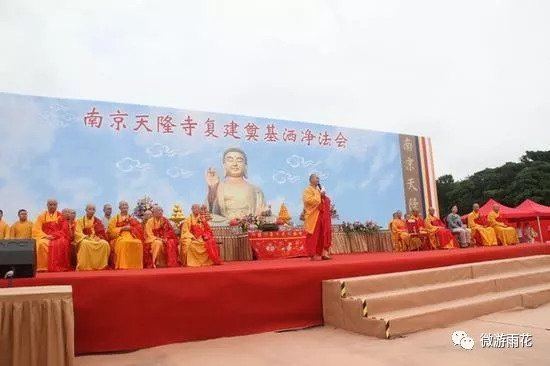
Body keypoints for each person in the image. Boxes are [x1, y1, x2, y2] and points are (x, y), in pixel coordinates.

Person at [205, 147, 266, 224]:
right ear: (224, 166)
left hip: (248, 224)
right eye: (230, 160)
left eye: (239, 160)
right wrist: (212, 189)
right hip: (225, 225)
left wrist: (263, 213)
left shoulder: (256, 190)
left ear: (245, 166)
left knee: (271, 219)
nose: (235, 164)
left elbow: (261, 213)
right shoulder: (218, 187)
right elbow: (209, 212)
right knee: (208, 220)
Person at [32, 199, 71, 272]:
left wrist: (55, 235)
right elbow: (36, 229)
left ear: (57, 206)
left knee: (62, 242)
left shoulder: (61, 216)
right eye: (50, 204)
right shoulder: (41, 216)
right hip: (45, 236)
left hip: (58, 236)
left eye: (54, 205)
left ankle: (59, 265)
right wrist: (45, 236)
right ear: (47, 205)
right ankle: (43, 267)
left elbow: (65, 229)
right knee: (41, 243)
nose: (52, 206)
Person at [302, 174, 332, 260]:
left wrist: (324, 197)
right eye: (316, 178)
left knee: (324, 234)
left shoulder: (318, 190)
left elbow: (325, 200)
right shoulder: (307, 190)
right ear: (311, 180)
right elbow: (308, 201)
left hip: (322, 215)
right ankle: (313, 254)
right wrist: (320, 195)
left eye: (319, 178)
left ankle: (324, 253)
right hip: (314, 216)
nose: (318, 179)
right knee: (314, 235)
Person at [107, 201, 144, 269]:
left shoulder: (132, 218)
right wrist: (122, 228)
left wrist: (131, 228)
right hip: (120, 237)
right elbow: (110, 232)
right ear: (119, 208)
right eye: (122, 205)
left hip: (131, 236)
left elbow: (139, 229)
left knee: (138, 242)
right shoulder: (115, 219)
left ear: (128, 207)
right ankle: (123, 265)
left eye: (126, 205)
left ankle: (136, 266)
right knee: (123, 243)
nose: (124, 206)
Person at [73, 204, 110, 271]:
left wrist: (99, 237)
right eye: (90, 209)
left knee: (104, 243)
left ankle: (101, 266)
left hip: (95, 238)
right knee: (84, 243)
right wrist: (84, 237)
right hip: (85, 238)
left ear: (95, 211)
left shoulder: (97, 221)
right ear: (86, 210)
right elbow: (77, 232)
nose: (91, 211)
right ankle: (84, 266)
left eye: (93, 209)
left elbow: (101, 232)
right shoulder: (79, 221)